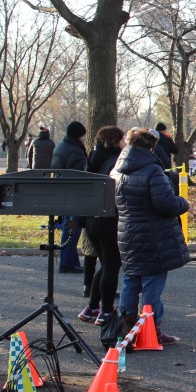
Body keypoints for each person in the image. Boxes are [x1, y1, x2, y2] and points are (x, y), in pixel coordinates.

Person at [112, 128, 189, 344]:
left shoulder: (117, 170)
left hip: (127, 232)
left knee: (131, 278)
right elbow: (166, 204)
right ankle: (150, 328)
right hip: (153, 234)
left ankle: (126, 325)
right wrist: (183, 203)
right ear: (151, 147)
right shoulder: (153, 170)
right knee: (152, 281)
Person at [79, 126, 125, 326]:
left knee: (105, 265)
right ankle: (106, 310)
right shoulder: (114, 162)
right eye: (122, 140)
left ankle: (92, 307)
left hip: (92, 219)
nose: (124, 143)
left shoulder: (93, 158)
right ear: (114, 141)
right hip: (109, 218)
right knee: (111, 266)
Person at [51, 121, 89, 273]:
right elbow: (80, 173)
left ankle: (70, 260)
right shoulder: (75, 151)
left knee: (69, 226)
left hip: (62, 191)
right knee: (72, 228)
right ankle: (67, 262)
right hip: (73, 193)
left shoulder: (61, 146)